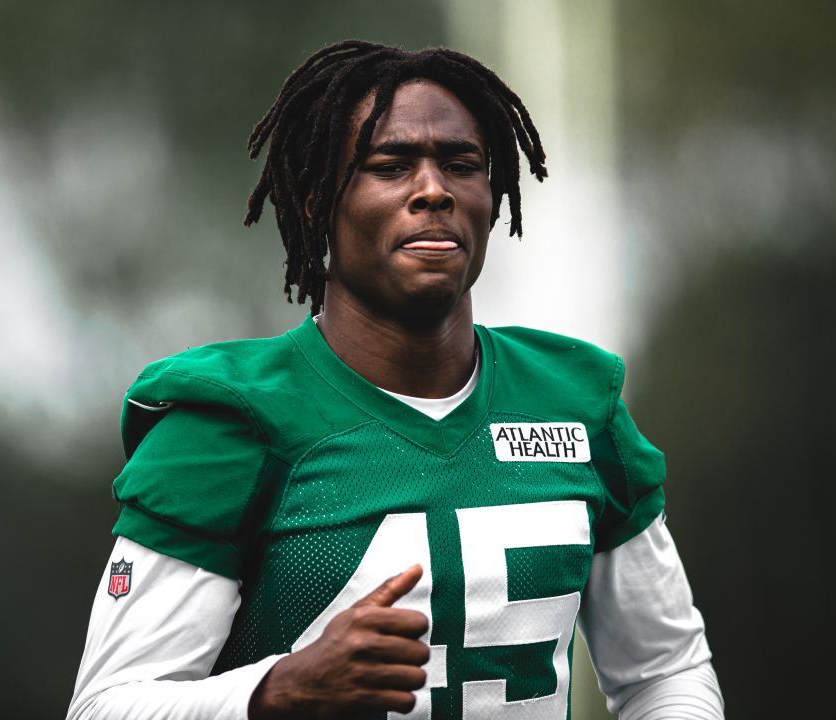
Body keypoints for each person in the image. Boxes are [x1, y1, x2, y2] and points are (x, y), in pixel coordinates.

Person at [67, 40, 723, 720]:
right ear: (321, 198)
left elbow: (664, 671)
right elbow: (104, 709)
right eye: (392, 164)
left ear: (491, 198)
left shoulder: (578, 404)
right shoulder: (230, 424)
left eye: (461, 164)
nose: (434, 189)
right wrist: (278, 692)